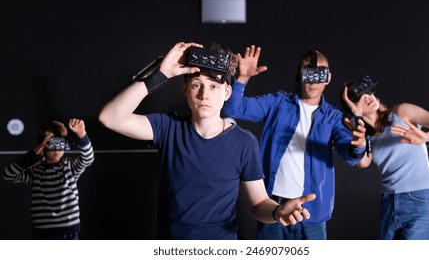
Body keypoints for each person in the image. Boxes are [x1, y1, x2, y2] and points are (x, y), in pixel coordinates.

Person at [98, 41, 317, 240]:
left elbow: (259, 203)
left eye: (214, 86)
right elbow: (110, 118)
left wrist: (278, 211)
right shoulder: (168, 128)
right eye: (196, 85)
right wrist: (162, 73)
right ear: (185, 89)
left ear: (227, 92)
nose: (204, 95)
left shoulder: (244, 143)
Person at [222, 46, 369, 240]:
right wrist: (242, 79)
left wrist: (358, 145)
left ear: (328, 77)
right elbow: (234, 108)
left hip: (313, 213)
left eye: (320, 73)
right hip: (273, 208)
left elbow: (348, 152)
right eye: (308, 71)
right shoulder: (277, 103)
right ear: (299, 74)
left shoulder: (334, 117)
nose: (313, 79)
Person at [340, 75, 429, 239]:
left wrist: (427, 137)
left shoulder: (401, 112)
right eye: (360, 97)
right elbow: (362, 162)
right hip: (389, 204)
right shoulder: (366, 138)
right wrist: (357, 116)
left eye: (369, 93)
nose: (367, 97)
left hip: (421, 200)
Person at [2, 118, 94, 240]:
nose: (56, 146)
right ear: (42, 144)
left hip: (69, 232)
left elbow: (88, 158)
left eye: (61, 141)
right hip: (42, 233)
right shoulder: (35, 171)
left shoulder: (69, 166)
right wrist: (33, 154)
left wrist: (82, 134)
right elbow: (8, 174)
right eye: (51, 141)